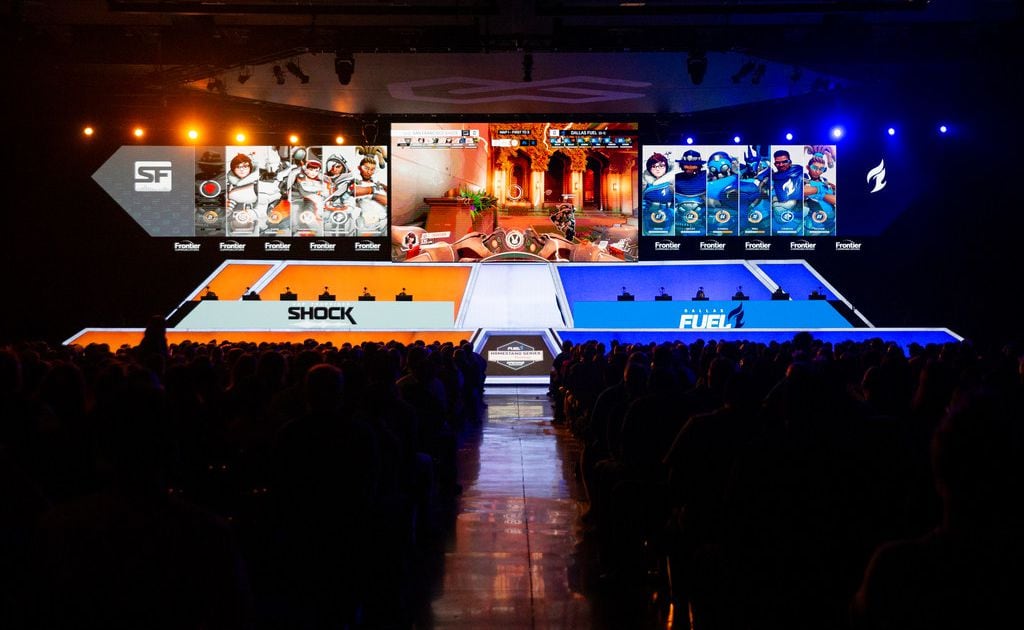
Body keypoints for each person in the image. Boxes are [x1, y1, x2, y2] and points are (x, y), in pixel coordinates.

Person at [226, 153, 264, 234]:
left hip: (255, 222)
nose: (242, 169)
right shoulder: (228, 184)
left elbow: (264, 206)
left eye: (245, 166)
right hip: (232, 224)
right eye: (238, 167)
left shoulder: (259, 184)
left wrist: (253, 213)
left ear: (250, 167)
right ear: (233, 169)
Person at [641, 152, 677, 235]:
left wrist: (671, 212)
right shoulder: (644, 182)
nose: (657, 169)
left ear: (666, 166)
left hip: (667, 216)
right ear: (649, 168)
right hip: (648, 216)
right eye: (654, 166)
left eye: (661, 166)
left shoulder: (672, 182)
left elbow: (677, 201)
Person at [771, 149, 804, 233]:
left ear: (790, 162)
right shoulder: (773, 177)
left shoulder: (800, 172)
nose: (781, 165)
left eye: (784, 162)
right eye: (777, 163)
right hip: (778, 220)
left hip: (798, 215)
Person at [675, 150, 707, 234]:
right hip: (680, 218)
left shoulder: (706, 176)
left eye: (693, 165)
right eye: (687, 165)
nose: (689, 167)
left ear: (698, 165)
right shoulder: (676, 178)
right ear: (682, 165)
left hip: (701, 217)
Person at [803, 153, 837, 233]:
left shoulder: (824, 180)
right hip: (815, 221)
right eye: (814, 167)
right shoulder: (804, 178)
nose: (817, 172)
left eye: (822, 169)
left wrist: (834, 189)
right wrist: (821, 191)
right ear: (808, 167)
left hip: (832, 221)